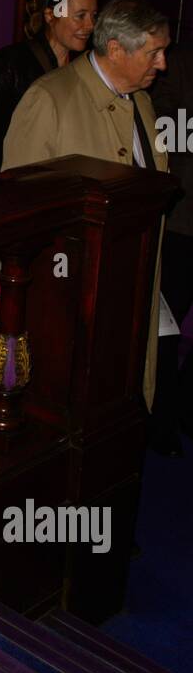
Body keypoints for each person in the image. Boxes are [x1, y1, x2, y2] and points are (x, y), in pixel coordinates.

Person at [1, 0, 171, 412]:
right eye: (154, 52)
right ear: (116, 50)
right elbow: (17, 206)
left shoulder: (144, 103)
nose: (163, 64)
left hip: (130, 286)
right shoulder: (50, 98)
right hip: (66, 299)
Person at [0, 0, 99, 182]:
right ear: (50, 15)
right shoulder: (10, 63)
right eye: (80, 16)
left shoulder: (86, 68)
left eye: (94, 16)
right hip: (10, 186)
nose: (90, 25)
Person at [149, 43, 193, 453]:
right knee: (164, 329)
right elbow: (161, 126)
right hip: (182, 223)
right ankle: (158, 423)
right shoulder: (176, 63)